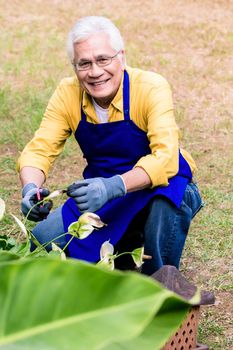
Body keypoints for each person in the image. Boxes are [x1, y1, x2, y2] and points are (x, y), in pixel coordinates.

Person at [17, 16, 203, 275]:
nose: (95, 72)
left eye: (103, 59)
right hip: (102, 188)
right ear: (74, 67)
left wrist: (114, 186)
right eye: (84, 63)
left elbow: (166, 158)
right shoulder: (67, 93)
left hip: (160, 185)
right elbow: (40, 150)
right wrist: (30, 188)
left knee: (167, 205)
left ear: (122, 57)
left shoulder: (151, 87)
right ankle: (123, 248)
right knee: (43, 241)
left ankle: (160, 282)